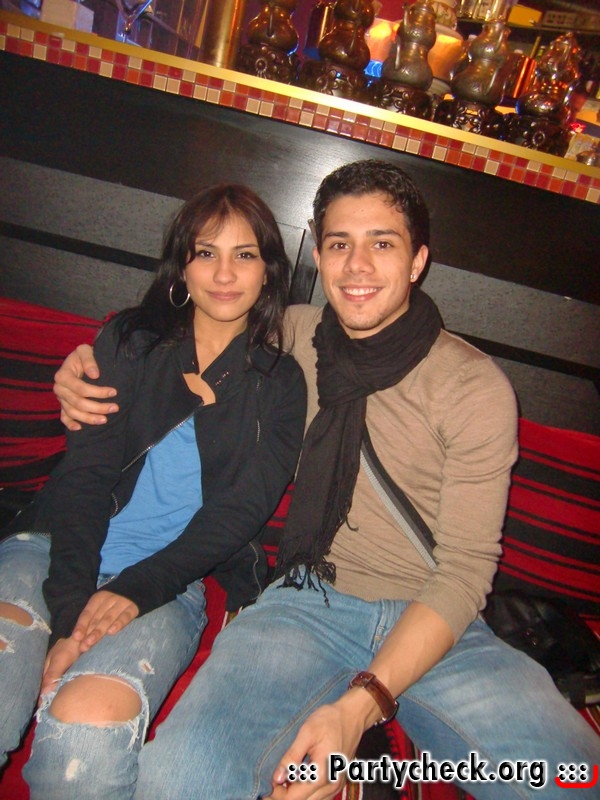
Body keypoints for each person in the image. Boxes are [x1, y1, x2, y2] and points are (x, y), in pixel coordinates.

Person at [53, 160, 599, 800]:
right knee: (178, 780)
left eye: (382, 244)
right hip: (304, 605)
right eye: (340, 244)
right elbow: (172, 334)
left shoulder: (473, 387)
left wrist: (361, 706)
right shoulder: (288, 335)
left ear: (418, 261)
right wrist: (82, 371)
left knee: (571, 778)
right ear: (318, 253)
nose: (357, 266)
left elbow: (464, 572)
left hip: (434, 620)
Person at [0, 184, 307, 799]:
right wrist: (70, 619)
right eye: (205, 253)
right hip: (54, 548)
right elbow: (86, 478)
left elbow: (239, 513)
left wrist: (135, 589)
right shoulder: (130, 341)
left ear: (269, 272)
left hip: (166, 580)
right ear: (181, 267)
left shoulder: (280, 383)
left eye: (245, 255)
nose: (225, 273)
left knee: (87, 734)